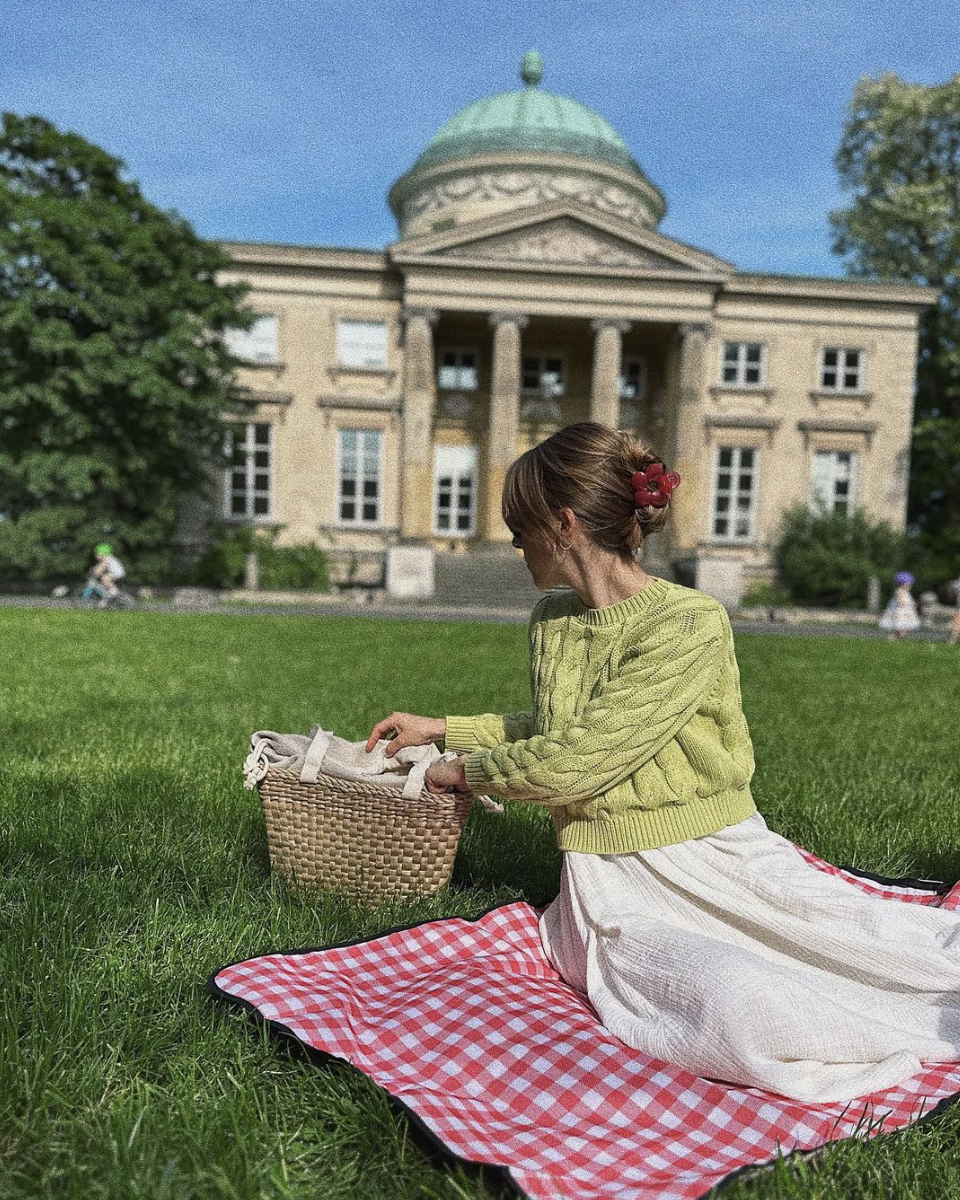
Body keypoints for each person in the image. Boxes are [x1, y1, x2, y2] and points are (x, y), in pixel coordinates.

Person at [367, 422, 960, 1104]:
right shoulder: (554, 619)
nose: (512, 542)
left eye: (519, 525)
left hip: (710, 859)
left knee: (884, 956)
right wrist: (442, 730)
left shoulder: (688, 623)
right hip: (610, 886)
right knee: (732, 1006)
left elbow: (574, 762)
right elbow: (566, 730)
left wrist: (462, 770)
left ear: (562, 524)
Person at [878, 570, 920, 640]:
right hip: (900, 612)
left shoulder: (907, 592)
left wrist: (913, 603)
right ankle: (893, 639)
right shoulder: (899, 591)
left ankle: (892, 639)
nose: (910, 585)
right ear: (902, 583)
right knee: (901, 629)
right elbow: (900, 601)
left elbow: (908, 600)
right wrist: (910, 603)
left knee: (903, 630)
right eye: (908, 584)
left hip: (906, 612)